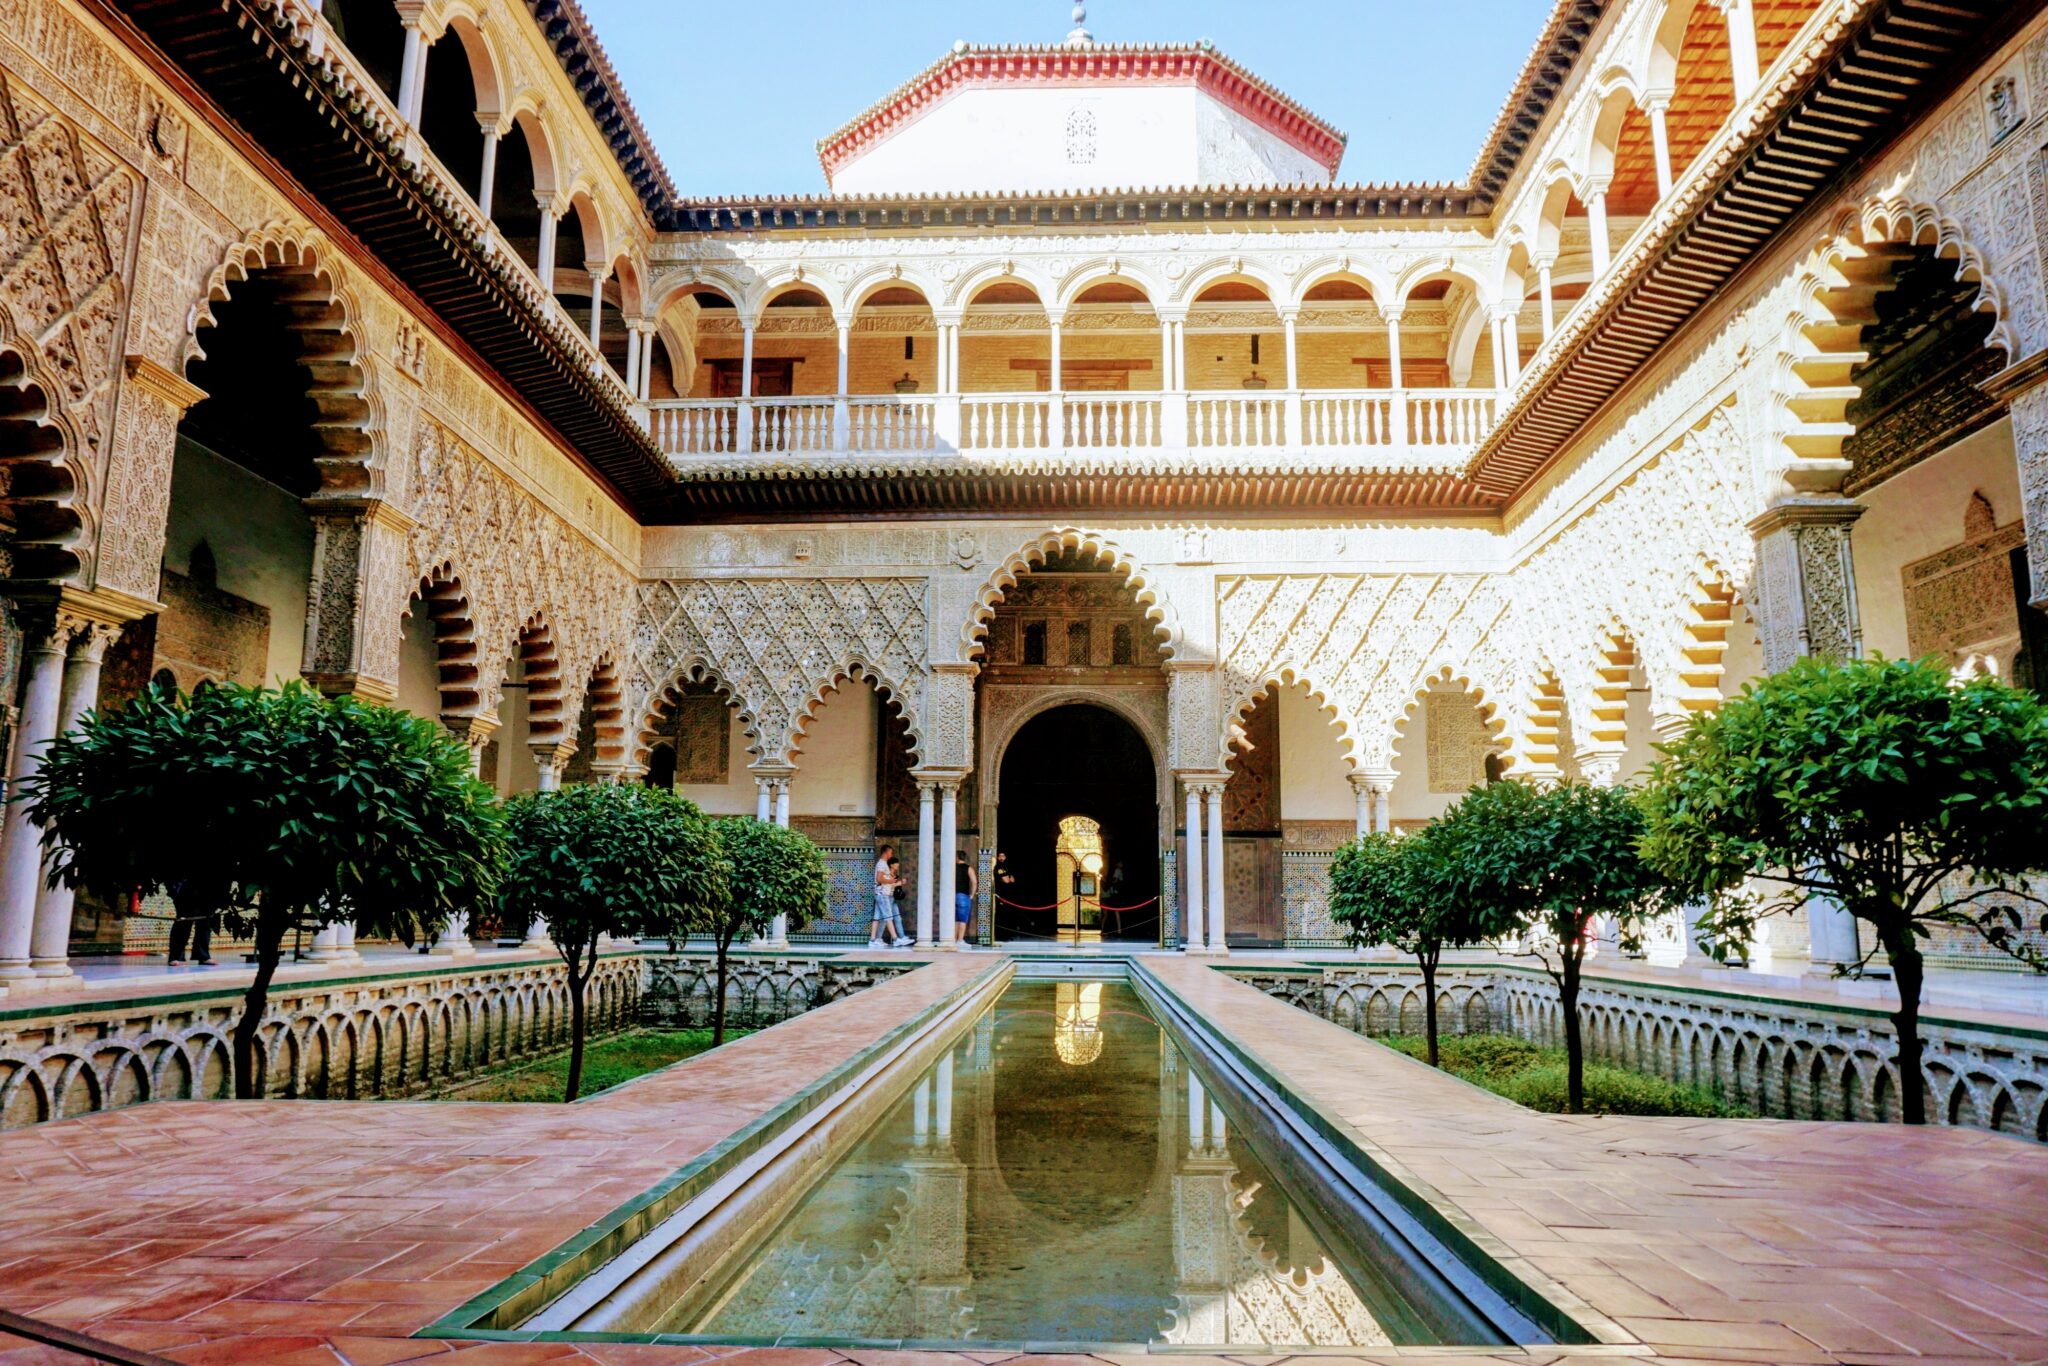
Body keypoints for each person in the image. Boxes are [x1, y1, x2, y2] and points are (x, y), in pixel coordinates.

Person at [871, 844, 901, 948]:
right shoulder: (882, 864)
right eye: (891, 852)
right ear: (886, 851)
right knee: (888, 916)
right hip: (882, 894)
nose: (891, 855)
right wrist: (891, 881)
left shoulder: (882, 863)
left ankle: (873, 940)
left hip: (880, 894)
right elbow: (879, 879)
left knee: (877, 917)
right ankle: (896, 939)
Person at [953, 849, 978, 946]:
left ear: (957, 857)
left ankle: (953, 940)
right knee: (962, 919)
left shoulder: (952, 868)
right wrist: (972, 894)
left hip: (952, 896)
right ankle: (960, 940)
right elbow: (974, 882)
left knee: (955, 919)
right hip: (963, 896)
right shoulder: (968, 868)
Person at [888, 854, 912, 948]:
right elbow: (888, 886)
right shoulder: (887, 874)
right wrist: (900, 882)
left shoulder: (894, 875)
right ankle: (876, 939)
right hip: (887, 898)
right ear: (891, 865)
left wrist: (900, 883)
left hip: (892, 898)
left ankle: (901, 937)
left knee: (897, 917)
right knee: (884, 919)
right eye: (896, 863)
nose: (898, 865)